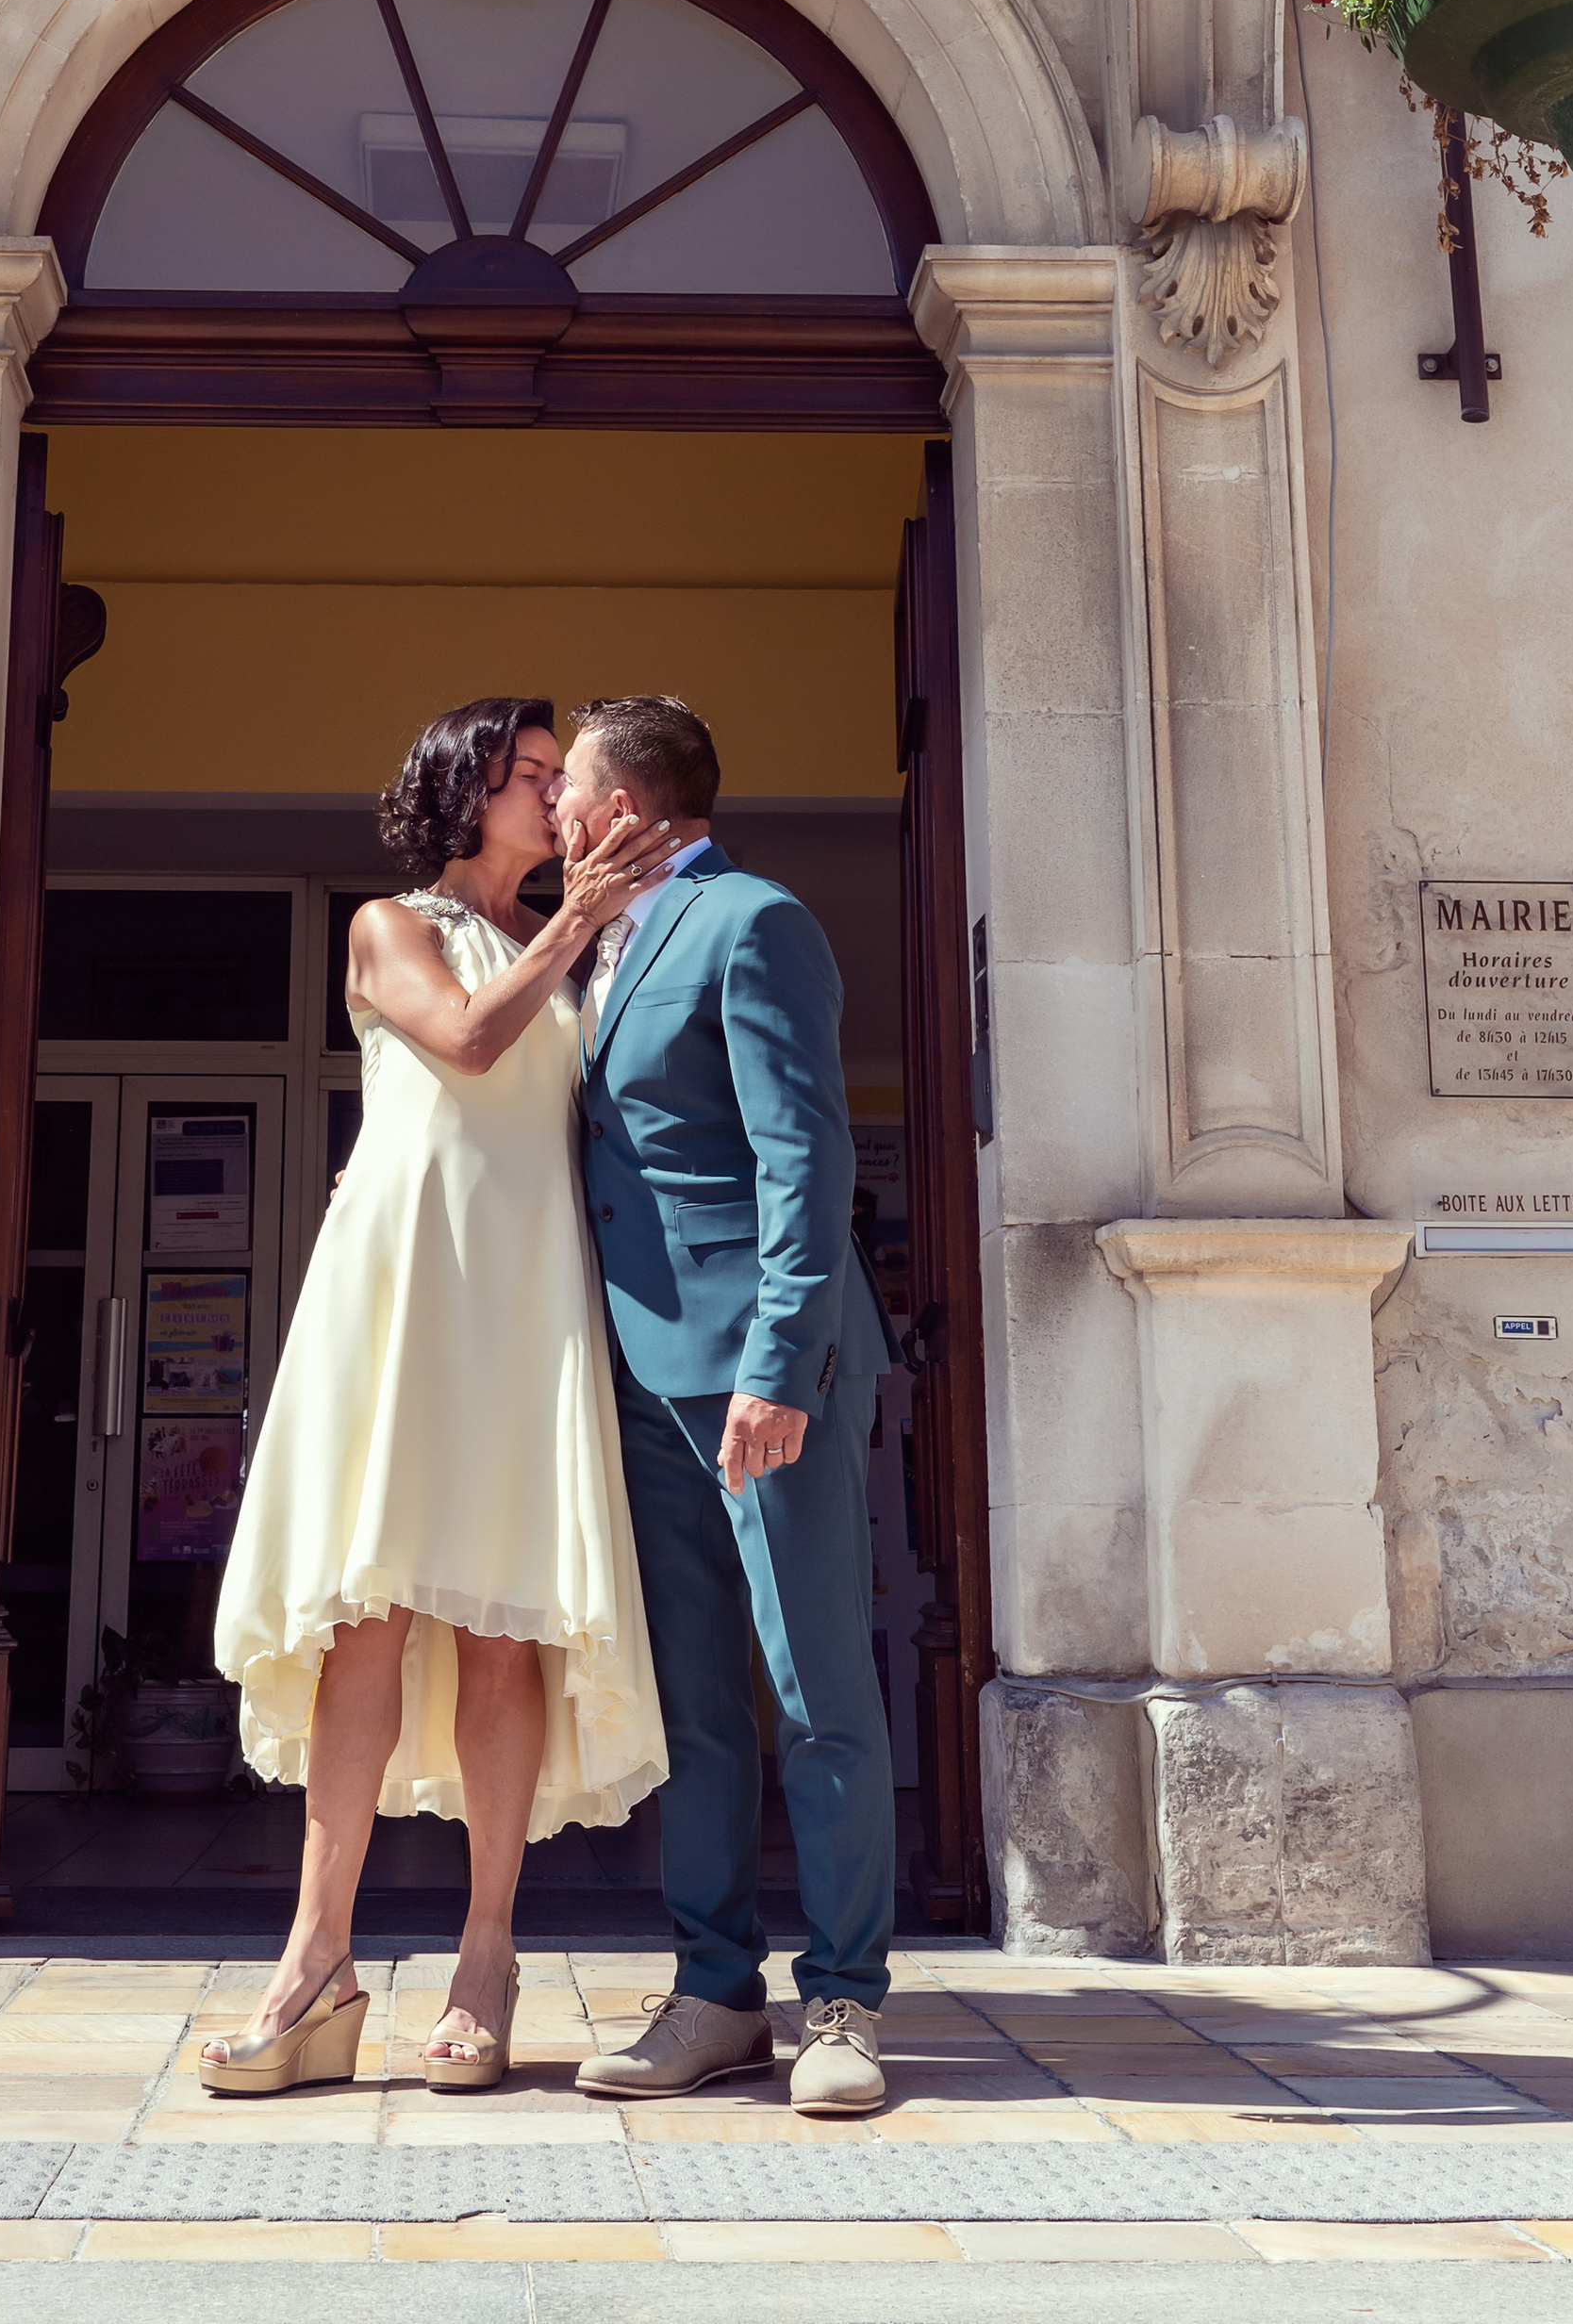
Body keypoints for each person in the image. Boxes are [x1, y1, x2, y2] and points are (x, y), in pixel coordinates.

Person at [203, 696, 677, 2098]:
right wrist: (573, 926)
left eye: (558, 779)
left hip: (522, 1295)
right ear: (464, 792)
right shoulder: (390, 926)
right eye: (530, 775)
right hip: (406, 1290)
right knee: (367, 1615)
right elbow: (464, 1043)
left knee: (500, 1628)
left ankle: (486, 1960)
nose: (554, 800)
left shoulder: (587, 960)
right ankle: (314, 1964)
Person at [555, 693, 899, 2120]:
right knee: (694, 1707)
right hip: (636, 1372)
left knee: (816, 1692)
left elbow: (801, 1160)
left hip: (767, 1374)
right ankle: (713, 1993)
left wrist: (779, 1365)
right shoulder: (590, 948)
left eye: (566, 785)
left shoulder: (752, 921)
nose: (553, 810)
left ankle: (846, 1999)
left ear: (627, 805)